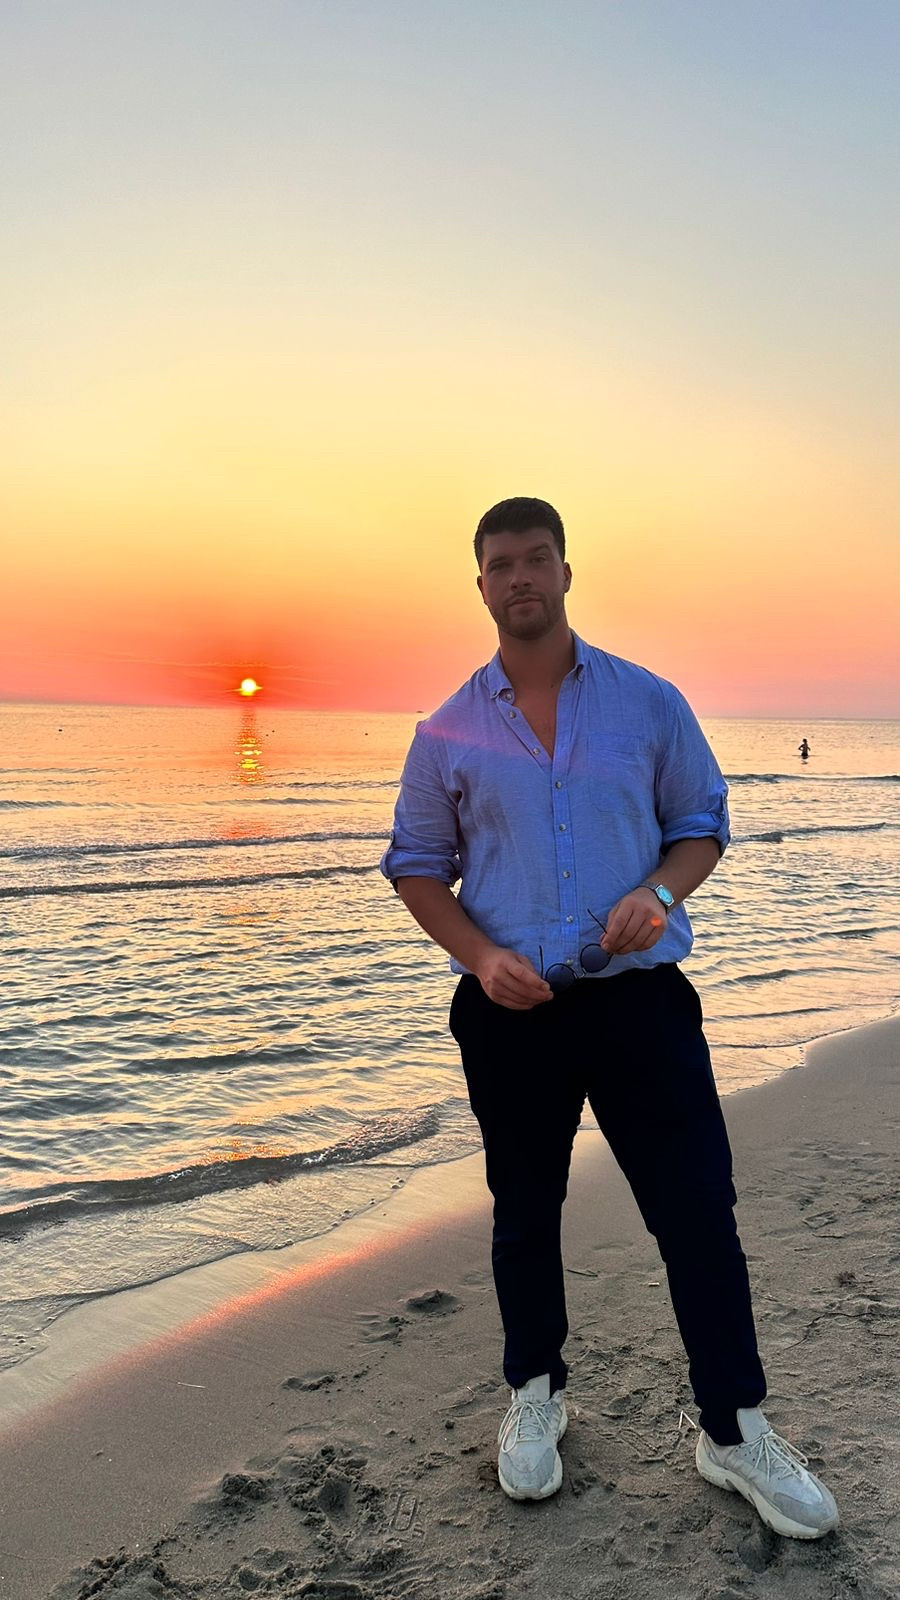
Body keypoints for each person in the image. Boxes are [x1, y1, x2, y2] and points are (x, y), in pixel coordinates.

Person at [380, 497, 839, 1540]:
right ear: (481, 585)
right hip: (511, 1012)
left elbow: (700, 825)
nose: (521, 577)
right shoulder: (446, 729)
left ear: (566, 571)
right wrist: (481, 956)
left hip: (641, 1005)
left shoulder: (648, 701)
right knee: (523, 1213)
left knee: (697, 1212)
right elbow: (416, 865)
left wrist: (661, 894)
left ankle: (735, 1430)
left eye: (537, 558)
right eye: (501, 563)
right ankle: (536, 1394)